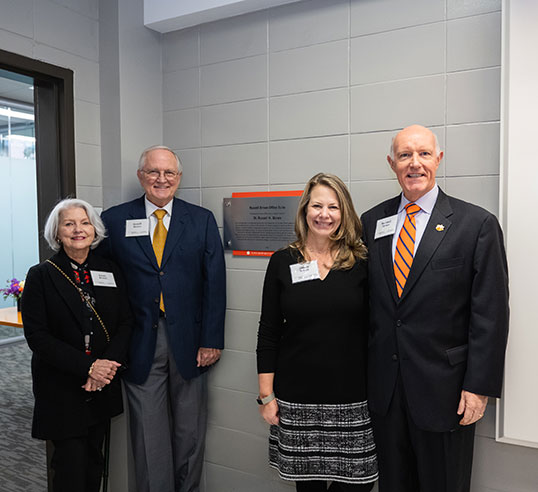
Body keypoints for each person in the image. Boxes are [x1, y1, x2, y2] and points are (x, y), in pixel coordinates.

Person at [360, 124, 509, 492]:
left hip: (446, 394)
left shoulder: (476, 225)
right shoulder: (370, 222)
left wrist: (479, 387)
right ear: (391, 163)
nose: (415, 163)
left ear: (438, 159)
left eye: (424, 153)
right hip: (386, 394)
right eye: (405, 155)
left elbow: (490, 314)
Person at [99, 145, 226, 492]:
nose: (161, 179)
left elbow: (215, 282)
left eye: (169, 173)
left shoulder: (200, 220)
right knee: (147, 435)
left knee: (190, 433)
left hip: (190, 342)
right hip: (138, 341)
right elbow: (104, 281)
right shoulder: (114, 220)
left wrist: (212, 339)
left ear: (179, 178)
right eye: (153, 172)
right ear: (141, 176)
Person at [256, 173, 378, 492]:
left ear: (344, 213)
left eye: (333, 207)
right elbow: (268, 332)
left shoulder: (363, 261)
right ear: (305, 211)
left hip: (353, 399)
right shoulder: (283, 261)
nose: (325, 214)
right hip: (297, 399)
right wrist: (266, 396)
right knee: (308, 488)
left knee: (355, 486)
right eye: (317, 206)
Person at [21, 198, 132, 492]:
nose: (78, 230)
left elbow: (125, 324)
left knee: (95, 463)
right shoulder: (41, 275)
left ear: (94, 230)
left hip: (101, 387)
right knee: (70, 468)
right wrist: (90, 368)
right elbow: (38, 337)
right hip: (61, 388)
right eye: (69, 224)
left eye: (84, 223)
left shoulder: (110, 270)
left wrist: (105, 369)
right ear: (57, 233)